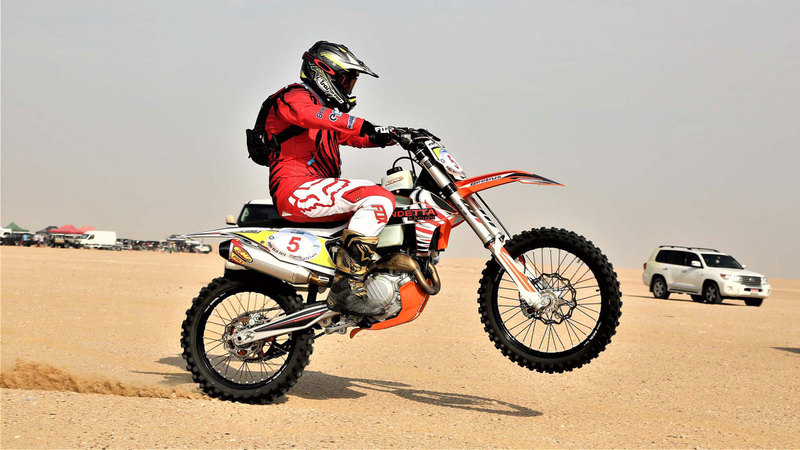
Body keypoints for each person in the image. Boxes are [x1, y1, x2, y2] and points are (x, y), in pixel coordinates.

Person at [263, 41, 398, 316]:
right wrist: (364, 125)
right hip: (296, 190)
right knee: (377, 198)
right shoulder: (293, 97)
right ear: (325, 74)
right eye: (346, 80)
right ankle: (346, 288)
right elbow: (313, 116)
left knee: (394, 201)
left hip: (312, 189)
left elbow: (355, 136)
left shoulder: (323, 117)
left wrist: (396, 135)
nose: (349, 87)